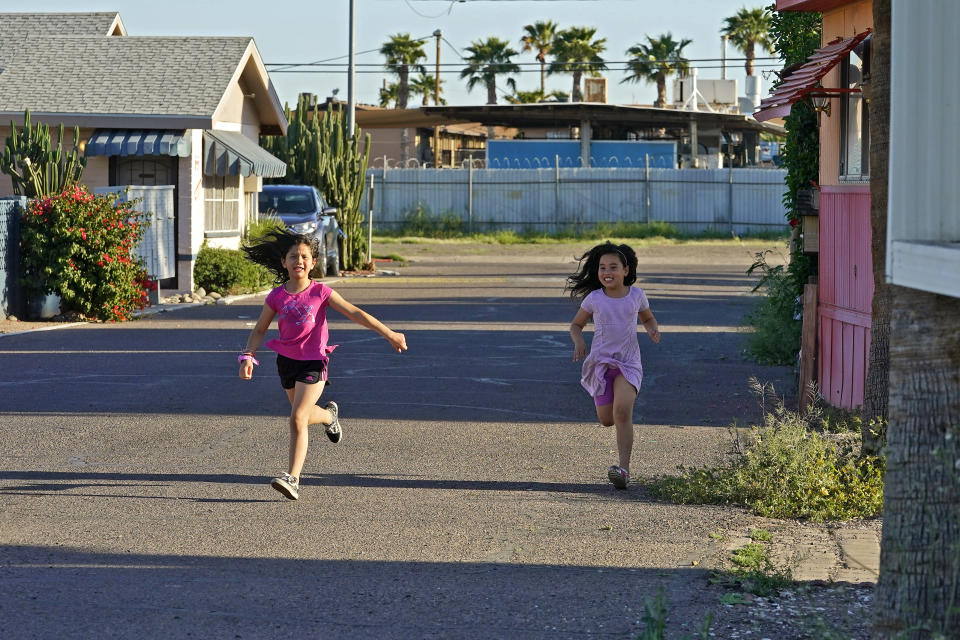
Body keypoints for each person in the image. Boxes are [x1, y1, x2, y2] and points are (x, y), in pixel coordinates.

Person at [238, 229, 407, 500]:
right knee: (303, 415)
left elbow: (356, 313)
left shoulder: (321, 292)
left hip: (313, 362)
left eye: (305, 256)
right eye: (293, 256)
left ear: (313, 263)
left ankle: (292, 478)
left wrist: (390, 333)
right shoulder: (277, 296)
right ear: (283, 261)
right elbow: (259, 330)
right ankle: (330, 416)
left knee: (297, 417)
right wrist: (248, 356)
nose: (299, 261)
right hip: (287, 363)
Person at [566, 241, 660, 490]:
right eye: (602, 268)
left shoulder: (636, 295)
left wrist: (652, 328)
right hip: (601, 365)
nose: (607, 272)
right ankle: (622, 464)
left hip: (628, 364)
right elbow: (576, 325)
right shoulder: (594, 299)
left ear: (626, 270)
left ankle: (624, 470)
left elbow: (648, 317)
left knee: (622, 413)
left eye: (613, 267)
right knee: (607, 419)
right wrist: (578, 340)